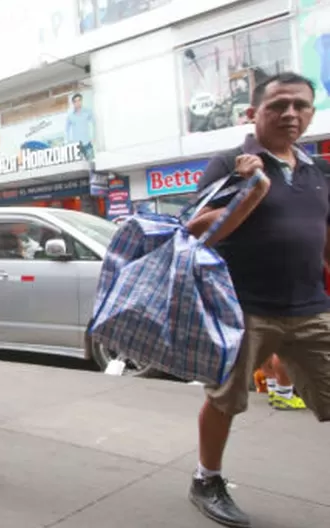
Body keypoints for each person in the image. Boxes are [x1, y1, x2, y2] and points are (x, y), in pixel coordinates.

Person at [186, 72, 330, 528]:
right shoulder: (231, 163)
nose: (291, 113)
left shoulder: (317, 171)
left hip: (311, 307)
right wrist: (252, 189)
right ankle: (206, 479)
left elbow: (323, 238)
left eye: (301, 105)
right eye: (278, 105)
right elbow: (199, 230)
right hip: (243, 306)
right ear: (253, 114)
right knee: (225, 398)